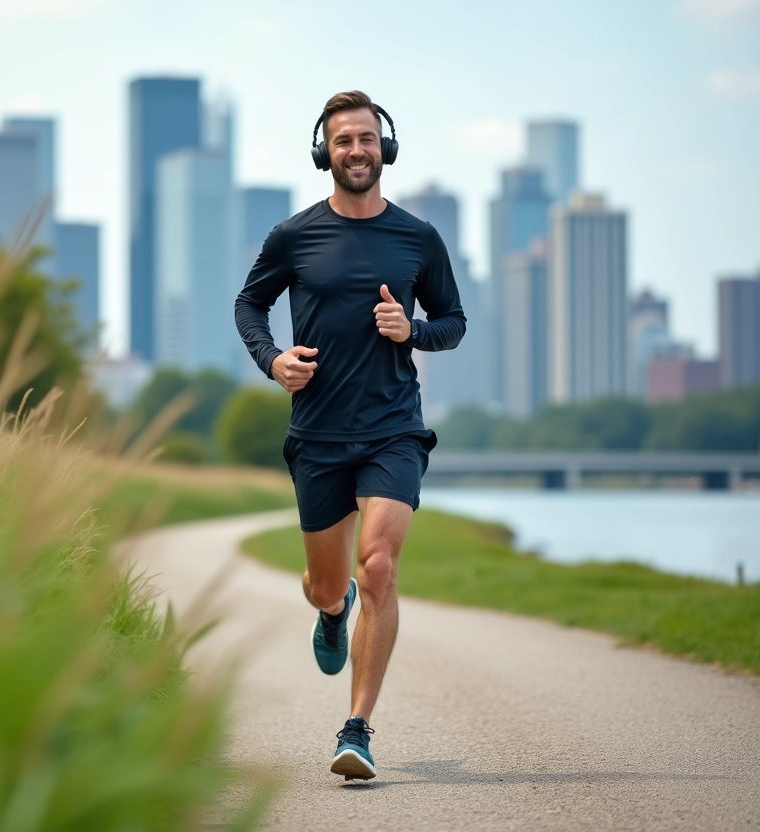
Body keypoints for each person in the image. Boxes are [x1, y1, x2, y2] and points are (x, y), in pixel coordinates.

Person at [233, 90, 466, 780]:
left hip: (393, 428)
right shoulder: (293, 236)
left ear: (384, 148)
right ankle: (333, 610)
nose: (357, 150)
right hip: (318, 433)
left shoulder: (418, 238)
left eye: (367, 138)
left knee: (381, 566)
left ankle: (357, 728)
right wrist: (272, 359)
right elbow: (250, 302)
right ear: (324, 153)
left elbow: (452, 320)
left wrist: (413, 330)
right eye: (344, 141)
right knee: (328, 582)